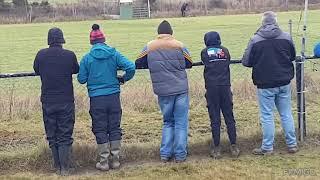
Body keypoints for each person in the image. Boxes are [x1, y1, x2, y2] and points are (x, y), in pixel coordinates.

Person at [77, 24, 135, 171]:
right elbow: (131, 67)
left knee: (100, 128)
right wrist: (123, 79)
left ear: (91, 42)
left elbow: (81, 79)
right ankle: (115, 160)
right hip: (113, 96)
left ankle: (103, 162)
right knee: (114, 127)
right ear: (104, 39)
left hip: (96, 98)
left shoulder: (87, 58)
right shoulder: (114, 54)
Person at [135, 20, 192, 163]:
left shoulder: (149, 46)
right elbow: (189, 63)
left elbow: (138, 63)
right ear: (171, 32)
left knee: (168, 122)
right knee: (181, 122)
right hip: (180, 89)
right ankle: (180, 155)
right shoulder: (179, 45)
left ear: (158, 33)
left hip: (163, 91)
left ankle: (165, 154)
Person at [242, 11, 298, 155]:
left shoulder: (255, 39)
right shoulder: (286, 37)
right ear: (275, 22)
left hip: (264, 83)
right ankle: (292, 144)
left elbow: (246, 62)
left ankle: (267, 147)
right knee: (286, 113)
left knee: (267, 115)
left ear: (263, 22)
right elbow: (292, 56)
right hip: (284, 81)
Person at [33, 27, 79, 175]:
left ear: (49, 40)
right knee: (65, 133)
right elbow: (75, 69)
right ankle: (65, 168)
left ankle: (57, 166)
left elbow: (36, 70)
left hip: (48, 101)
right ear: (61, 40)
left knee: (52, 133)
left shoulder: (41, 55)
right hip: (66, 100)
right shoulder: (69, 55)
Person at [201, 31, 240, 159]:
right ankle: (234, 146)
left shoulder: (204, 52)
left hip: (212, 88)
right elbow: (227, 60)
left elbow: (205, 61)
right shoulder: (225, 51)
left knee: (215, 118)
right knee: (229, 116)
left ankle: (217, 147)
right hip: (225, 87)